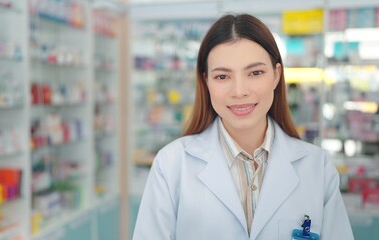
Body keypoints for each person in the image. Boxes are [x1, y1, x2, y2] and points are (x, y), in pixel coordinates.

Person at [132, 13, 354, 240]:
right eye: (222, 77)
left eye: (255, 73)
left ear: (276, 75)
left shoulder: (317, 167)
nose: (239, 91)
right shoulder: (171, 166)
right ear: (205, 81)